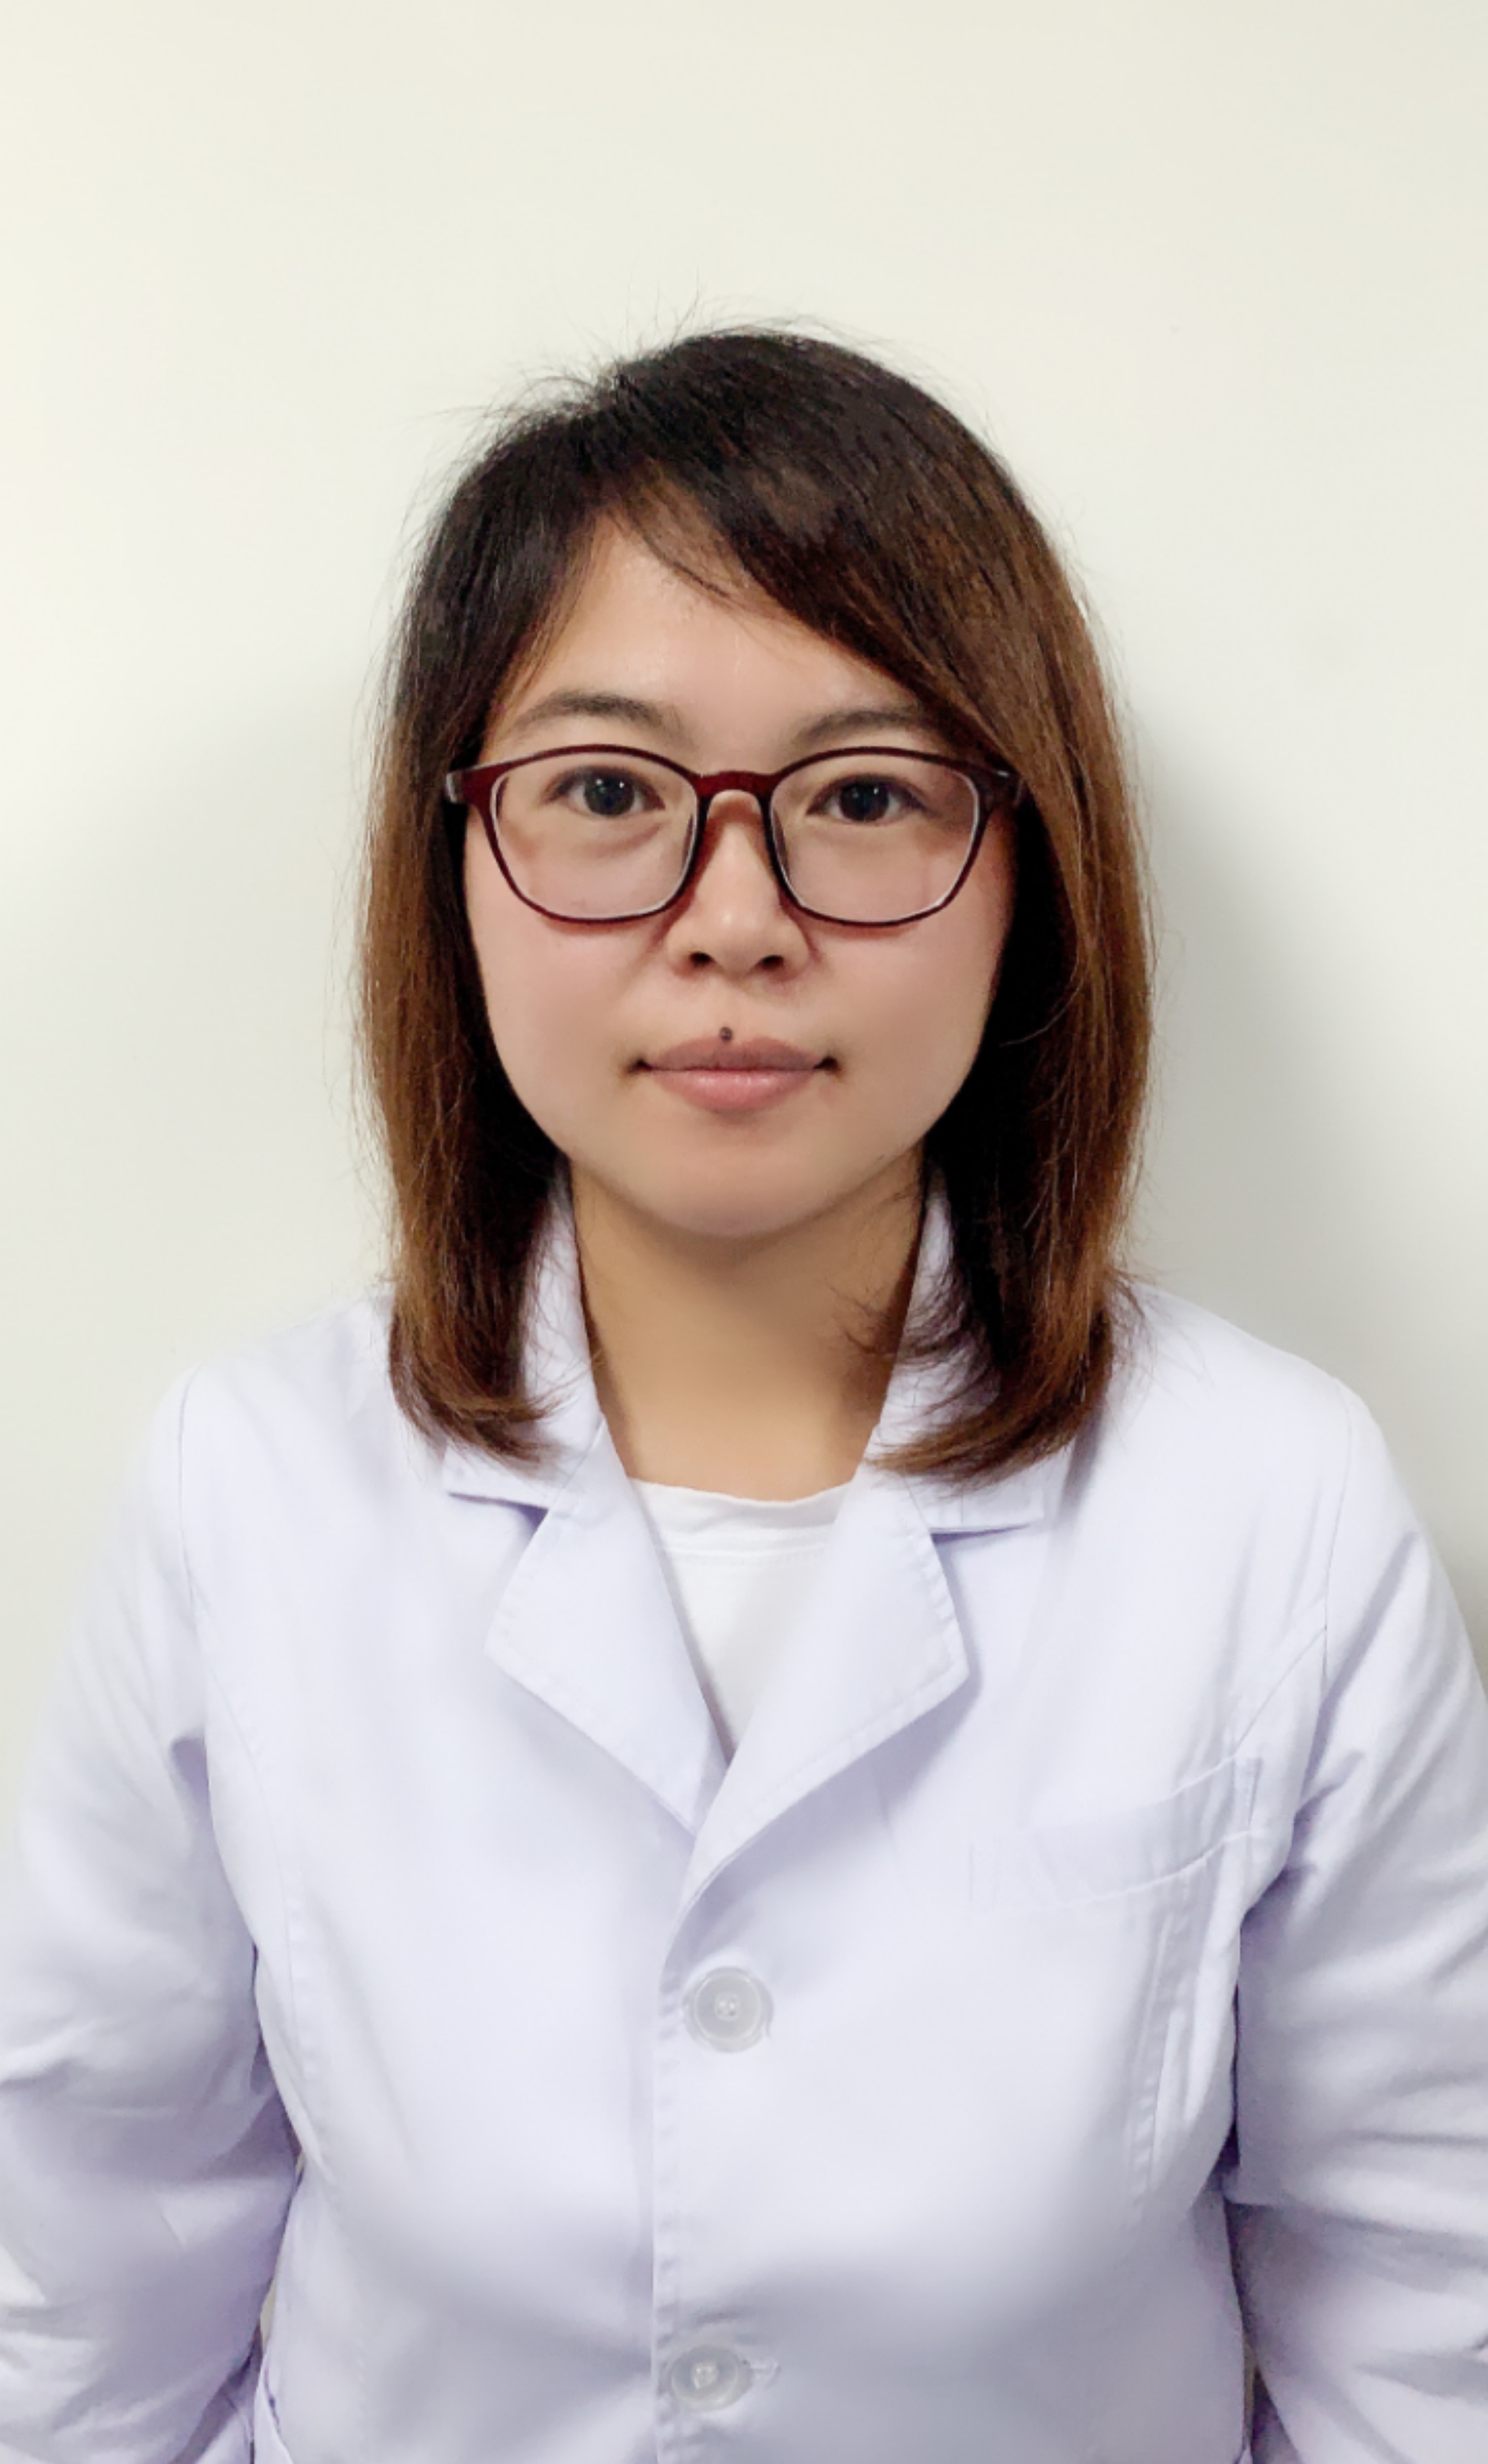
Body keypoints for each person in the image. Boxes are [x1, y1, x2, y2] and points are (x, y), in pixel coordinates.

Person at [1, 329, 1485, 2464]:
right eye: (606, 793)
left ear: (1027, 867)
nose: (733, 920)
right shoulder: (250, 1488)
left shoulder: (1265, 1506)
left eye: (862, 797)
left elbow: (1420, 2325)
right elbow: (89, 2289)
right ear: (453, 856)